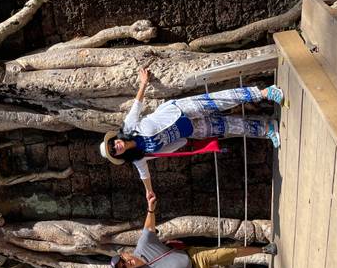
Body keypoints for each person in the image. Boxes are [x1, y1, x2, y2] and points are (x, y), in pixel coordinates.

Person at [99, 68, 284, 196]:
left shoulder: (129, 127)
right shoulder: (139, 156)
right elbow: (144, 175)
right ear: (120, 155)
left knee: (220, 101)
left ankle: (265, 93)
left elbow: (137, 105)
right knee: (227, 126)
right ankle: (266, 129)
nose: (116, 147)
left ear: (115, 138)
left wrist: (143, 83)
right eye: (114, 151)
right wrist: (149, 191)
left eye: (112, 144)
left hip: (180, 111)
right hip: (189, 131)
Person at [110, 192, 278, 268]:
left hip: (195, 258)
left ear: (125, 254)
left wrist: (150, 209)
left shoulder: (144, 245)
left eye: (123, 261)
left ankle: (264, 249)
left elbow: (148, 228)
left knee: (230, 252)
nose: (126, 265)